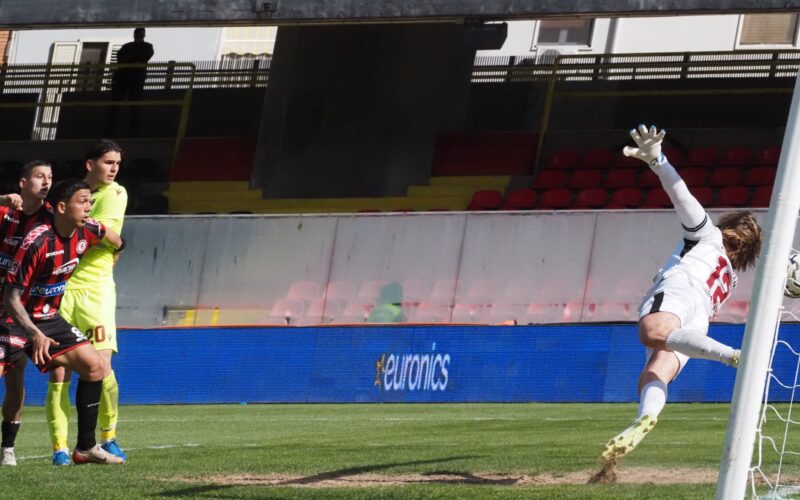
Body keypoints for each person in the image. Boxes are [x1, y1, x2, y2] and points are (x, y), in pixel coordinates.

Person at [600, 125, 762, 463]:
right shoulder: (730, 277)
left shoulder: (708, 236)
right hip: (698, 320)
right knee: (654, 372)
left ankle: (734, 356)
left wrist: (659, 160)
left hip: (680, 291)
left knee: (652, 333)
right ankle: (645, 417)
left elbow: (682, 196)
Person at [3, 178, 125, 465]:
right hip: (12, 319)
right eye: (82, 201)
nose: (89, 207)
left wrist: (110, 266)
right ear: (61, 207)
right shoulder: (37, 241)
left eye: (90, 201)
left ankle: (85, 448)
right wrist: (35, 335)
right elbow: (11, 297)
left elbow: (119, 241)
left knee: (95, 366)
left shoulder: (89, 230)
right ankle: (6, 448)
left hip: (49, 318)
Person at [47, 140, 128, 465]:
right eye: (108, 162)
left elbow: (98, 234)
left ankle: (108, 437)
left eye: (117, 164)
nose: (114, 169)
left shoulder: (116, 194)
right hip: (61, 287)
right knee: (57, 373)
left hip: (95, 289)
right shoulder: (74, 193)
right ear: (89, 164)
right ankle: (60, 448)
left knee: (102, 368)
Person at [0, 160, 54, 466]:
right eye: (39, 176)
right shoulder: (6, 212)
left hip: (21, 307)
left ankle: (8, 448)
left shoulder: (50, 218)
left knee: (16, 372)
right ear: (22, 182)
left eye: (50, 176)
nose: (45, 181)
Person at [107, 27, 154, 136]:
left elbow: (141, 57)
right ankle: (119, 132)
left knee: (130, 106)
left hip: (129, 78)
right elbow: (122, 58)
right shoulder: (143, 47)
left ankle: (126, 132)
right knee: (123, 106)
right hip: (128, 78)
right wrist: (134, 60)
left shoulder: (139, 47)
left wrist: (130, 59)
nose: (139, 37)